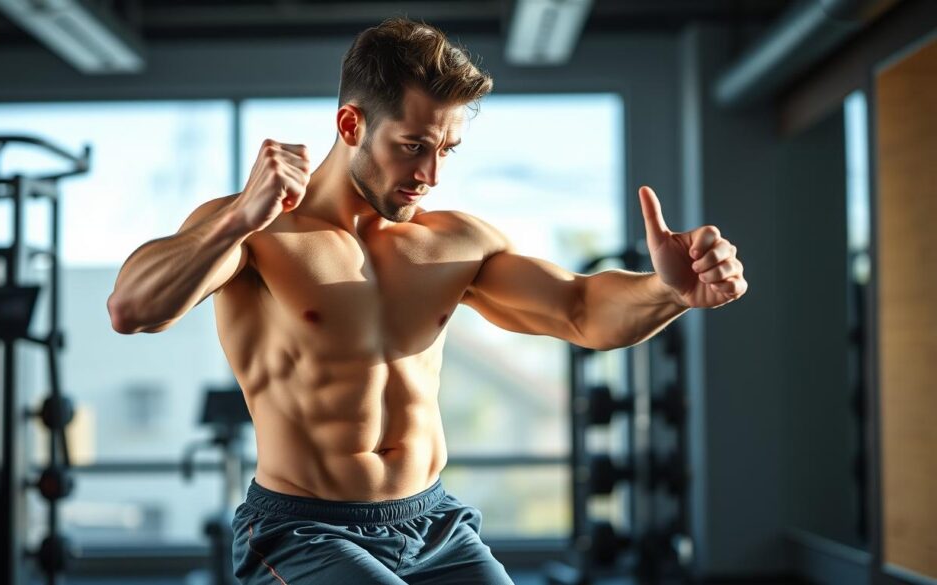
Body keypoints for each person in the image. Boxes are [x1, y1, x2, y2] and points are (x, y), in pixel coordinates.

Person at [107, 17, 747, 585]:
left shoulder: (452, 242)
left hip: (433, 522)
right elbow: (132, 309)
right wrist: (239, 217)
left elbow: (580, 309)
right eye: (413, 146)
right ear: (351, 124)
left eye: (446, 150)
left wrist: (670, 291)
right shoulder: (261, 234)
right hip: (304, 530)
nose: (430, 175)